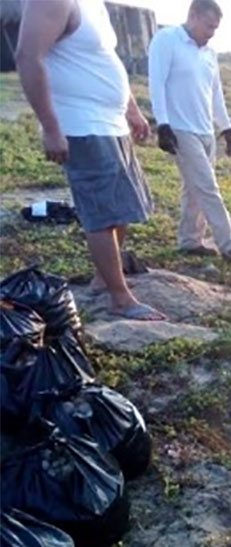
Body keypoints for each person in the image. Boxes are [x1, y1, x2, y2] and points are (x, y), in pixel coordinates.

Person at [16, 0, 166, 321]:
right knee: (100, 211)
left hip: (112, 123)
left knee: (121, 206)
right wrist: (52, 128)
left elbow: (101, 59)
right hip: (81, 124)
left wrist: (132, 110)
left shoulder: (93, 4)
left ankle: (104, 279)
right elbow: (28, 57)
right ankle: (120, 298)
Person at [147, 0, 231, 263]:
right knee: (207, 187)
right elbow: (156, 83)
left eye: (216, 28)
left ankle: (190, 241)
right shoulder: (167, 39)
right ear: (193, 16)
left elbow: (215, 95)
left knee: (193, 190)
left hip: (205, 131)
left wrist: (226, 129)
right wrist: (163, 124)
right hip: (180, 129)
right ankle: (230, 245)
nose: (212, 32)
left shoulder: (210, 54)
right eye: (208, 25)